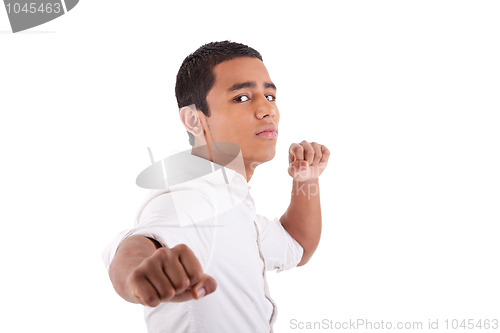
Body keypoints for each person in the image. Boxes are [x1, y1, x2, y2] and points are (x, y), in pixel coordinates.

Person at [102, 40, 330, 332]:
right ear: (195, 120)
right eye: (242, 98)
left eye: (270, 96)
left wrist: (305, 180)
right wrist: (138, 273)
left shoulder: (232, 203)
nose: (266, 110)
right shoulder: (192, 196)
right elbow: (141, 245)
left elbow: (297, 246)